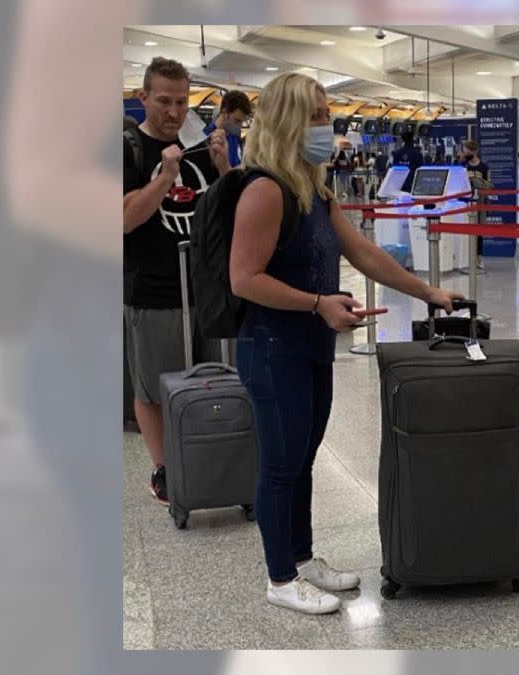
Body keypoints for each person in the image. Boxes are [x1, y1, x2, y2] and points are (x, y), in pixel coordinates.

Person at [230, 73, 463, 615]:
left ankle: (304, 557)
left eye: (324, 112)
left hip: (311, 344)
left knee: (304, 456)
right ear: (287, 121)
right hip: (272, 346)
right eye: (313, 115)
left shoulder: (313, 190)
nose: (323, 125)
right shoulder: (265, 189)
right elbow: (244, 278)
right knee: (280, 464)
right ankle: (280, 577)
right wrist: (318, 303)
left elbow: (361, 252)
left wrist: (426, 291)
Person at [122, 57, 231, 505]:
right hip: (153, 289)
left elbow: (232, 214)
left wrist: (226, 170)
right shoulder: (127, 149)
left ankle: (210, 457)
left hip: (206, 290)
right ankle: (165, 467)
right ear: (143, 97)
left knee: (214, 380)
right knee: (153, 387)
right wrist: (165, 176)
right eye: (164, 101)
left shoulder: (202, 149)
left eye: (182, 102)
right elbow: (125, 219)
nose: (173, 111)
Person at [203, 90, 252, 168]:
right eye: (237, 120)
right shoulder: (205, 139)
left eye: (242, 122)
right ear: (224, 113)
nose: (239, 126)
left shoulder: (234, 137)